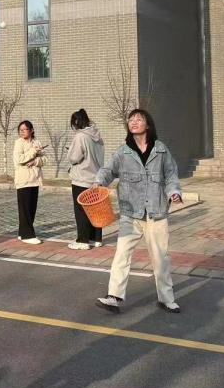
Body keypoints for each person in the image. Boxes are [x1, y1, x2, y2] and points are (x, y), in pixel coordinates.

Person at [94, 108, 183, 314]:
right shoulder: (123, 152)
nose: (133, 122)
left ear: (148, 125)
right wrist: (99, 182)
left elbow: (171, 174)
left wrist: (174, 192)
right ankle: (114, 296)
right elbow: (108, 170)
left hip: (156, 212)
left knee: (160, 258)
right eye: (131, 119)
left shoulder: (161, 150)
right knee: (122, 254)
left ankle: (166, 299)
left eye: (139, 119)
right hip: (130, 213)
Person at [67, 109, 105, 250]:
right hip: (96, 178)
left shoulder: (80, 136)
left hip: (82, 178)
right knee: (95, 209)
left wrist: (69, 152)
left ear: (77, 122)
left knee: (81, 210)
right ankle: (96, 238)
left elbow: (74, 158)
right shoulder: (98, 136)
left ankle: (82, 240)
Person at [12, 120, 45, 245]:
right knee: (25, 209)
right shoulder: (18, 143)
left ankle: (22, 232)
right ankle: (28, 235)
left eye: (24, 129)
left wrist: (35, 161)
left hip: (35, 179)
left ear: (31, 130)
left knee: (31, 208)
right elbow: (20, 159)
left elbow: (45, 159)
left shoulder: (37, 142)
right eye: (20, 130)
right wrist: (33, 152)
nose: (22, 132)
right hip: (23, 180)